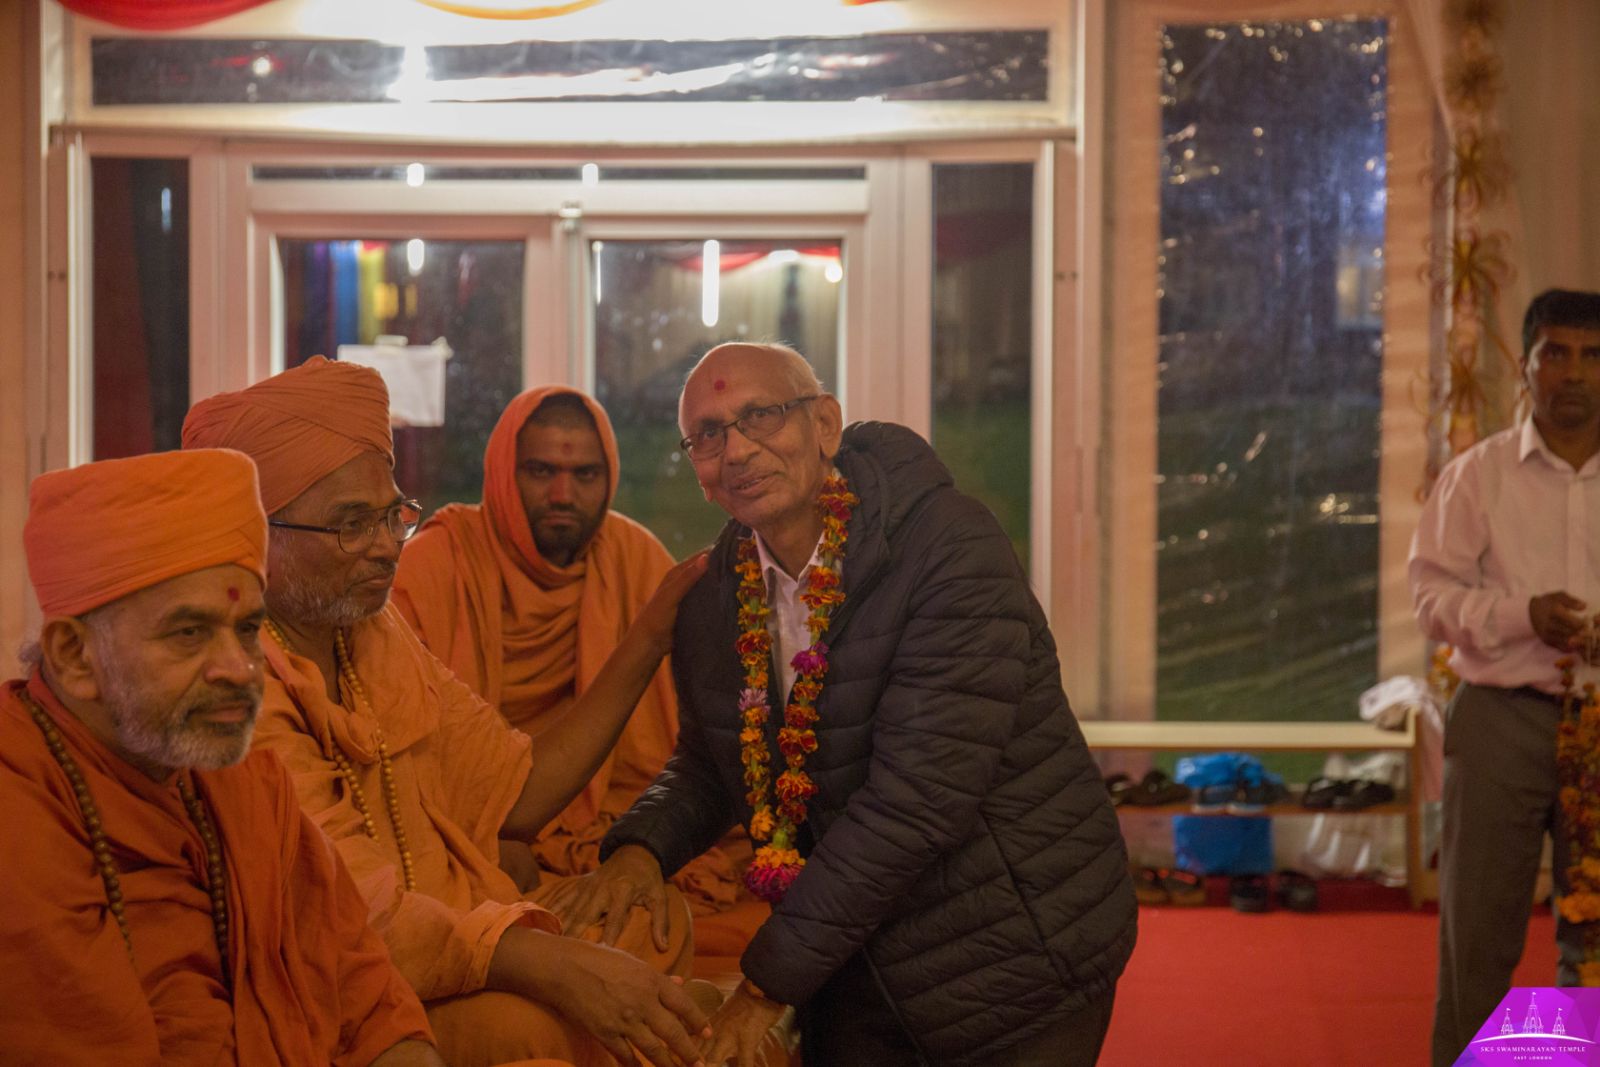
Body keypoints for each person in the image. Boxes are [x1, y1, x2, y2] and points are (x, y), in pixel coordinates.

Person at [562, 342, 1138, 1067]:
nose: (736, 449)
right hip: (852, 963)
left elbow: (917, 800)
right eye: (708, 434)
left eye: (761, 416)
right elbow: (716, 758)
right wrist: (642, 849)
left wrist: (767, 984)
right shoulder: (719, 593)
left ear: (825, 424)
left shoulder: (946, 549)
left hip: (1015, 951)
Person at [181, 356, 714, 1067]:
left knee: (652, 923)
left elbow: (514, 790)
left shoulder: (370, 630)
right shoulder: (237, 686)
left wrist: (650, 632)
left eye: (392, 515)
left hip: (463, 924)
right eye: (351, 524)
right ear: (261, 532)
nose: (384, 547)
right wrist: (553, 964)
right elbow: (355, 912)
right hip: (352, 975)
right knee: (549, 1029)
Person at [0, 448, 442, 1066]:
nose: (240, 669)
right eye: (189, 633)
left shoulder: (248, 787)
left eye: (245, 629)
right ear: (75, 657)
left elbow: (372, 1004)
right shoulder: (18, 812)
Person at [392, 386, 740, 913]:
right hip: (471, 827)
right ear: (505, 474)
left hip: (610, 824)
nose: (562, 494)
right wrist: (495, 834)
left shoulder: (634, 559)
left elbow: (687, 745)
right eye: (540, 471)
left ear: (609, 479)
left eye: (584, 475)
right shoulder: (434, 567)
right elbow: (404, 757)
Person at [1411, 288, 1600, 1065]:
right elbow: (1430, 598)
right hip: (1500, 719)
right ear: (1524, 368)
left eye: (1593, 355)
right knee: (1479, 940)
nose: (1574, 373)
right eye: (1555, 353)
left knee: (1592, 947)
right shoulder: (1477, 475)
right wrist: (1524, 614)